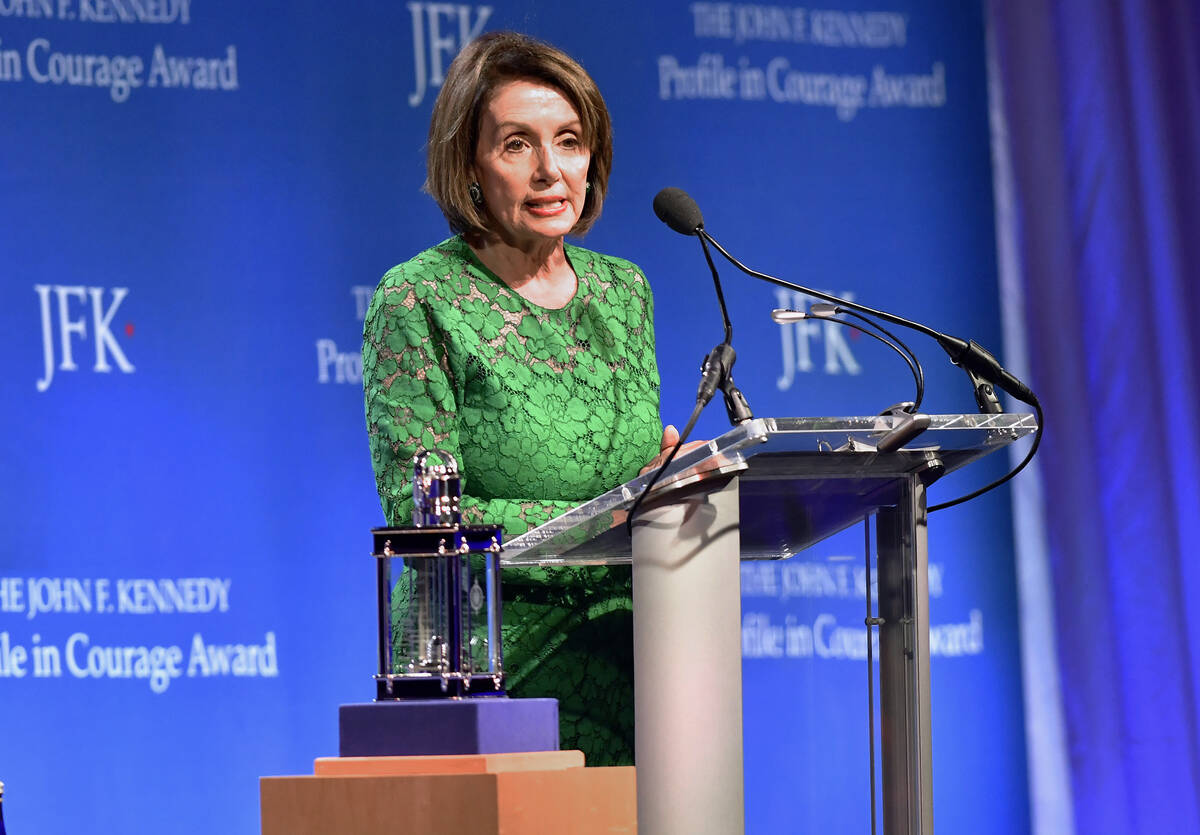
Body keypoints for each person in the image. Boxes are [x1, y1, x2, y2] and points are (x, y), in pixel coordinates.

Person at [362, 31, 682, 766]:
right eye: (516, 145)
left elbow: (631, 478)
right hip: (487, 673)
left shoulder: (624, 291)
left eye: (569, 141)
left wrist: (668, 481)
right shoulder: (418, 298)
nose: (549, 170)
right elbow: (421, 515)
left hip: (632, 659)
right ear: (469, 165)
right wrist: (610, 518)